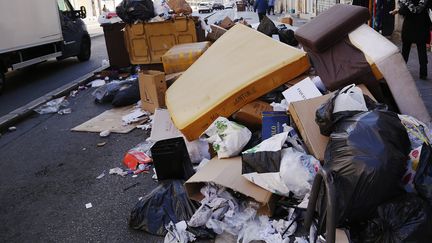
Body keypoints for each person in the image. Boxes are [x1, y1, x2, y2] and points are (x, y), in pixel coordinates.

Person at [391, 0, 431, 79]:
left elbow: (403, 11)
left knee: (405, 49)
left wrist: (397, 11)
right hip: (422, 26)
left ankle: (402, 70)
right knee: (422, 50)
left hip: (409, 26)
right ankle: (423, 73)